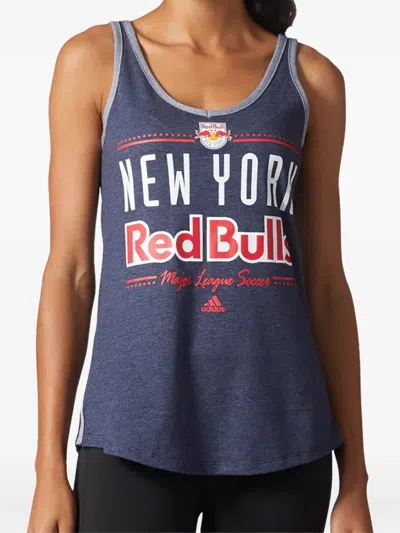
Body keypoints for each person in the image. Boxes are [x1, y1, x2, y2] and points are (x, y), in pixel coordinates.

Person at [28, 1, 374, 532]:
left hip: (282, 438)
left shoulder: (311, 81)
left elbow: (327, 287)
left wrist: (355, 480)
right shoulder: (95, 61)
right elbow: (69, 273)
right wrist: (48, 467)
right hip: (131, 433)